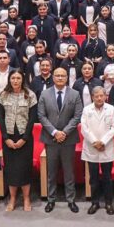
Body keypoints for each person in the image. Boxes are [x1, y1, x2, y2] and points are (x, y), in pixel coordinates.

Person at [38, 67, 83, 213]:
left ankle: (71, 200)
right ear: (53, 77)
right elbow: (41, 116)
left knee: (69, 172)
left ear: (67, 78)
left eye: (62, 76)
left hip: (68, 139)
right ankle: (51, 199)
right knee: (51, 172)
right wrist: (55, 132)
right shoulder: (44, 94)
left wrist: (64, 132)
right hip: (50, 139)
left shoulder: (75, 94)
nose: (60, 78)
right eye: (57, 75)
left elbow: (77, 116)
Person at [0, 69, 37, 212]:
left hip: (24, 137)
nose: (15, 81)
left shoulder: (30, 95)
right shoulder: (4, 95)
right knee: (11, 169)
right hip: (9, 137)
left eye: (18, 78)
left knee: (24, 168)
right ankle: (13, 198)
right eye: (13, 78)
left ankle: (26, 198)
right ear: (9, 79)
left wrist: (24, 138)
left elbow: (32, 119)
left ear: (22, 79)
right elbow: (1, 117)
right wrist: (5, 138)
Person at [80, 86, 114, 215]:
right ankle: (95, 203)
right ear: (92, 97)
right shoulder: (86, 109)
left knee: (107, 177)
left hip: (106, 147)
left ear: (106, 96)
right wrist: (94, 142)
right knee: (93, 178)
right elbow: (84, 128)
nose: (99, 98)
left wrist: (103, 142)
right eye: (97, 96)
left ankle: (108, 203)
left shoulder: (111, 109)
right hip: (92, 147)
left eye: (102, 96)